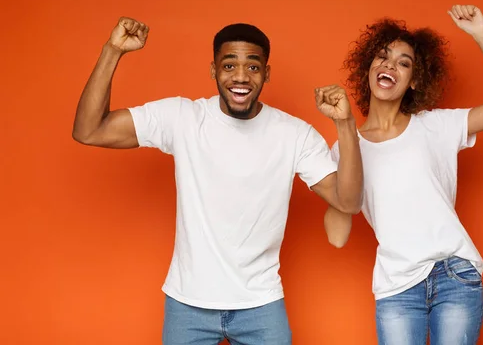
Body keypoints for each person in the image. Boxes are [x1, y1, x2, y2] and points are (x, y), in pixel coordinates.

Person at [72, 17, 363, 345]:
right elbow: (88, 129)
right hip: (188, 305)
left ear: (267, 73)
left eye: (253, 67)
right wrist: (113, 50)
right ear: (213, 71)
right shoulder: (183, 118)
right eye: (229, 65)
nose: (240, 76)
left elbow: (348, 201)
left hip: (261, 304)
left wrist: (344, 123)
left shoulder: (293, 134)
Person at [324, 5, 483, 344]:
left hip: (455, 275)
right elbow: (337, 235)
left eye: (403, 63)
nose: (389, 65)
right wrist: (346, 132)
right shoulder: (345, 147)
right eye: (383, 57)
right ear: (368, 68)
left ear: (415, 80)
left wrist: (481, 33)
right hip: (396, 285)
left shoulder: (436, 126)